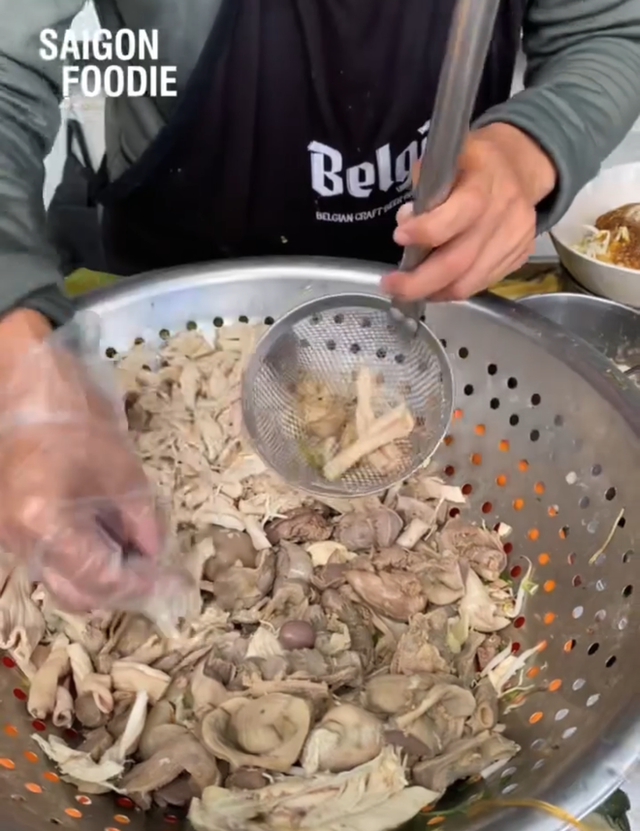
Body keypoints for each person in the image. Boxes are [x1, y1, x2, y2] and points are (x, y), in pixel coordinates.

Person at [0, 0, 639, 610]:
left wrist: (527, 152)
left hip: (428, 300)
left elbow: (609, 31)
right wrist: (16, 368)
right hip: (171, 300)